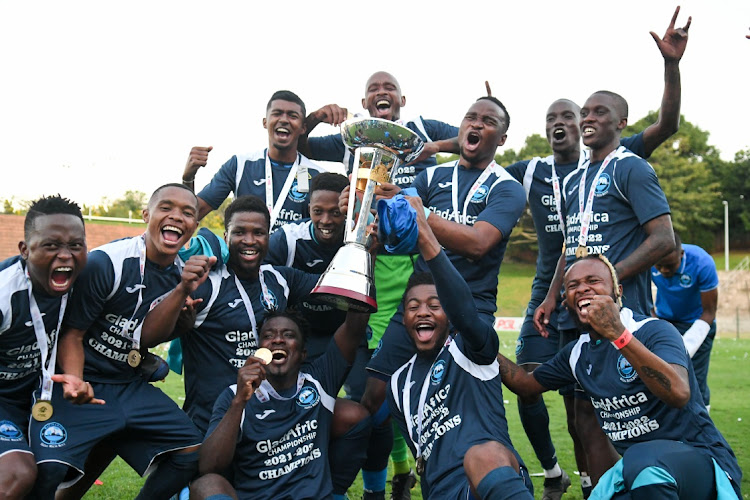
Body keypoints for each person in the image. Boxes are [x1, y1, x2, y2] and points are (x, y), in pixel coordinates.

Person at [506, 8, 690, 497]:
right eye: (583, 112)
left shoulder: (631, 166)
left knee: (628, 406)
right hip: (573, 307)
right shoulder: (575, 177)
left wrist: (607, 279)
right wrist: (549, 298)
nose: (587, 119)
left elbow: (663, 240)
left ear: (621, 122)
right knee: (579, 410)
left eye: (598, 113)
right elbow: (571, 244)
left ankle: (653, 481)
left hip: (621, 308)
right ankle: (595, 488)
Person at [141, 194, 372, 499]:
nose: (249, 241)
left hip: (273, 410)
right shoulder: (207, 284)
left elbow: (336, 289)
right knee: (196, 480)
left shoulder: (279, 279)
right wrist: (179, 322)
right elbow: (153, 327)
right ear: (226, 237)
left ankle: (330, 492)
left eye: (258, 233)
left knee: (351, 416)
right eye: (239, 232)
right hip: (216, 415)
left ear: (268, 236)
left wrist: (362, 245)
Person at [301, 72, 461, 498]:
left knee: (407, 396)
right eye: (373, 89)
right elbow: (302, 143)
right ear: (365, 101)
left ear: (402, 98)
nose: (381, 93)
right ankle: (386, 481)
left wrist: (434, 148)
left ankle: (413, 471)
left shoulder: (423, 130)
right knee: (369, 396)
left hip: (412, 282)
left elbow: (473, 138)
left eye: (388, 88)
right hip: (364, 269)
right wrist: (317, 116)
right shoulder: (355, 135)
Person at [495, 254, 742, 499]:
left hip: (701, 464)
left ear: (617, 292)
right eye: (573, 285)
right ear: (565, 301)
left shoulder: (653, 331)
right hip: (643, 474)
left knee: (641, 459)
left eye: (593, 281)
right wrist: (476, 338)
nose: (583, 289)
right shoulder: (577, 353)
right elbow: (525, 384)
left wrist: (618, 335)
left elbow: (678, 393)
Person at [29, 184, 211, 500]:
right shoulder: (106, 263)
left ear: (195, 226)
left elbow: (147, 336)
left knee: (191, 452)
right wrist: (75, 381)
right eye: (166, 207)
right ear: (146, 215)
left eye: (188, 212)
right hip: (86, 382)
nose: (177, 217)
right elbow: (73, 334)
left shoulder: (183, 276)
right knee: (51, 470)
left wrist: (181, 320)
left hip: (127, 385)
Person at [384, 190, 533, 500]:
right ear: (404, 318)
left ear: (449, 314)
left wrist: (426, 239)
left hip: (487, 485)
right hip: (443, 493)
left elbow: (466, 313)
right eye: (413, 306)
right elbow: (423, 459)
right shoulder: (399, 384)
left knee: (483, 455)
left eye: (434, 304)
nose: (423, 311)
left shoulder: (469, 348)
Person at [189, 309, 371, 499]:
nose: (277, 340)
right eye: (268, 336)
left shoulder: (320, 380)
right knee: (206, 485)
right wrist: (239, 402)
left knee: (354, 413)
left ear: (302, 353)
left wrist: (363, 279)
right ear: (259, 350)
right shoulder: (233, 395)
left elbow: (355, 324)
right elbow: (209, 466)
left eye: (289, 335)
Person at [0, 195, 89, 500]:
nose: (65, 255)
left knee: (53, 466)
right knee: (17, 473)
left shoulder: (84, 282)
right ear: (25, 250)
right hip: (3, 401)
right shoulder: (4, 295)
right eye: (51, 245)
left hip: (40, 396)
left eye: (75, 246)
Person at [182, 90, 326, 231]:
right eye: (276, 114)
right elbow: (194, 214)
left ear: (303, 128)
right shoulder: (240, 165)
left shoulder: (318, 175)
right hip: (247, 251)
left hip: (294, 255)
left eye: (292, 116)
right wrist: (188, 178)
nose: (283, 120)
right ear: (265, 122)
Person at [652, 232, 718, 408]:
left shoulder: (702, 263)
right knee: (662, 378)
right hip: (666, 322)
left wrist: (686, 347)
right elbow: (647, 305)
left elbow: (709, 312)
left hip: (698, 323)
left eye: (670, 266)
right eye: (659, 266)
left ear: (681, 255)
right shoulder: (648, 261)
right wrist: (657, 328)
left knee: (695, 381)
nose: (664, 271)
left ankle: (702, 430)